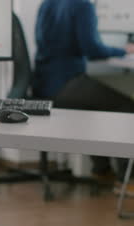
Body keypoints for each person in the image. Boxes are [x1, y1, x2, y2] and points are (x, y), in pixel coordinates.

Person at [34, 0, 134, 190]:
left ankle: (102, 169)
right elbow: (93, 50)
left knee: (96, 109)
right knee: (126, 107)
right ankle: (128, 180)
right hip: (67, 83)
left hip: (43, 83)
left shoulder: (47, 4)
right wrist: (124, 50)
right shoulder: (82, 5)